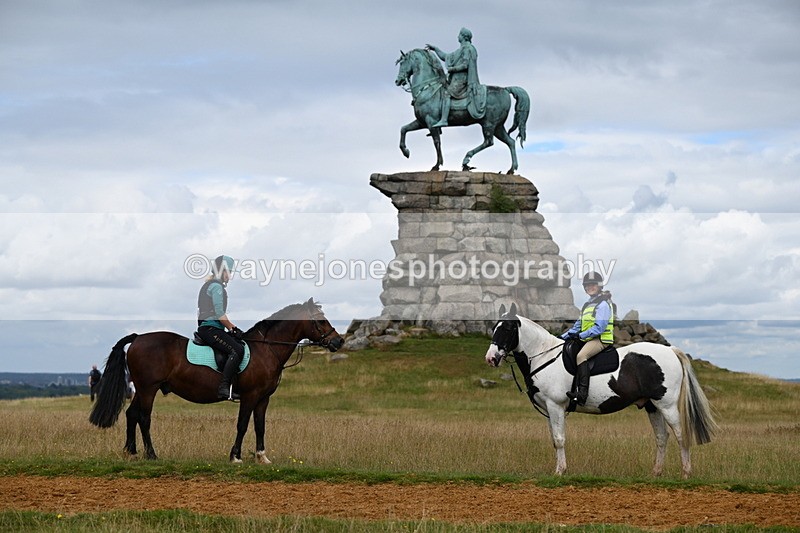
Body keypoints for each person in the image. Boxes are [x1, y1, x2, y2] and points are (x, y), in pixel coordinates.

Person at [560, 271, 615, 407]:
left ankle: (582, 395)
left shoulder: (603, 304)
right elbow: (577, 326)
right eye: (587, 285)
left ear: (599, 286)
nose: (590, 287)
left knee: (581, 356)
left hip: (601, 339)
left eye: (593, 285)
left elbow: (599, 328)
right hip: (589, 338)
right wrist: (561, 338)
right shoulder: (587, 305)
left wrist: (580, 336)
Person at [195, 255, 245, 401]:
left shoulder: (209, 285)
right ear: (221, 271)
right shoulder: (216, 287)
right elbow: (220, 314)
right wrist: (233, 329)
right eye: (228, 271)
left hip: (208, 328)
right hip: (211, 329)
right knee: (237, 350)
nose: (230, 275)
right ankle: (224, 387)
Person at [426, 27, 485, 127]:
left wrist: (453, 69)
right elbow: (446, 57)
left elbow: (465, 65)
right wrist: (435, 49)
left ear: (463, 37)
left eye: (459, 35)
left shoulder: (468, 49)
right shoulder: (461, 49)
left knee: (446, 93)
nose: (458, 36)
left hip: (462, 80)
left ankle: (444, 119)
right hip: (456, 79)